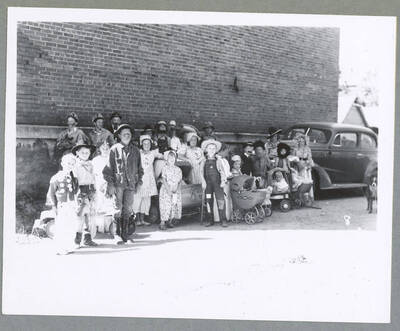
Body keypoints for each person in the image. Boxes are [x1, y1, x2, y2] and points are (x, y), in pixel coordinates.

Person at [103, 124, 143, 245]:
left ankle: (125, 235)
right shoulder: (114, 150)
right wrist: (110, 184)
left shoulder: (135, 150)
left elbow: (140, 169)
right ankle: (117, 235)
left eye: (129, 134)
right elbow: (107, 170)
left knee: (127, 209)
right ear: (119, 135)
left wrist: (139, 182)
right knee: (117, 208)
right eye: (124, 133)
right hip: (118, 184)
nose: (127, 135)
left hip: (131, 185)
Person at [45, 153, 79, 255]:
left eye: (73, 164)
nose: (70, 166)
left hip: (71, 205)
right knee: (61, 226)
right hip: (62, 205)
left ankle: (69, 246)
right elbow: (51, 193)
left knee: (71, 225)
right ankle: (60, 247)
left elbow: (76, 191)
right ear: (62, 163)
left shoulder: (74, 178)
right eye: (68, 163)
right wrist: (54, 206)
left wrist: (76, 203)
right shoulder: (56, 177)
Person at [72, 140, 98, 247]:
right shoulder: (75, 165)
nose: (85, 154)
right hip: (80, 191)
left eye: (87, 153)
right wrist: (77, 193)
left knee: (90, 215)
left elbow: (94, 177)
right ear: (77, 153)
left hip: (90, 190)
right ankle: (77, 240)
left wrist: (95, 190)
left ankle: (87, 239)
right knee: (80, 215)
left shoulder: (91, 164)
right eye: (83, 152)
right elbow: (75, 180)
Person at [133, 135, 163, 226]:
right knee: (138, 199)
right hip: (140, 178)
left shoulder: (153, 153)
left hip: (149, 179)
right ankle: (136, 219)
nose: (146, 145)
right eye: (144, 143)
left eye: (148, 143)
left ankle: (142, 219)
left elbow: (163, 156)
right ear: (141, 144)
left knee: (146, 200)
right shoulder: (138, 152)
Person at [200, 139, 228, 227]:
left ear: (216, 150)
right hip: (208, 185)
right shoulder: (203, 161)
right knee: (208, 201)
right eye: (210, 148)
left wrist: (223, 181)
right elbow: (200, 172)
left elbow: (222, 172)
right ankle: (210, 219)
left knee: (221, 201)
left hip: (218, 184)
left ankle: (223, 220)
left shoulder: (218, 160)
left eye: (213, 148)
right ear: (206, 150)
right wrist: (203, 182)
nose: (212, 150)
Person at [92, 140, 115, 234]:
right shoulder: (95, 160)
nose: (105, 149)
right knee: (99, 203)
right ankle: (100, 227)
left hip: (110, 183)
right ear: (99, 149)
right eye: (103, 147)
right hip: (99, 183)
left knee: (110, 204)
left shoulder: (113, 159)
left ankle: (109, 227)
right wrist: (96, 184)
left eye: (107, 147)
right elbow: (93, 174)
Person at [159, 150, 183, 230]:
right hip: (166, 190)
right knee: (165, 206)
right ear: (167, 159)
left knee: (173, 206)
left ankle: (170, 221)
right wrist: (168, 190)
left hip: (175, 190)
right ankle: (162, 222)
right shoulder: (165, 168)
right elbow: (164, 179)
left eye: (173, 158)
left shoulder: (178, 169)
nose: (171, 159)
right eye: (170, 158)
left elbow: (180, 181)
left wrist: (177, 190)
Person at [213, 143, 233, 223]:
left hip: (227, 181)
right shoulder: (216, 160)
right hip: (220, 182)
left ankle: (227, 217)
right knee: (220, 199)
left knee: (227, 199)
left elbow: (227, 172)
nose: (227, 153)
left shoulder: (224, 160)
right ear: (222, 150)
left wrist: (230, 175)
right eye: (226, 151)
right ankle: (218, 218)